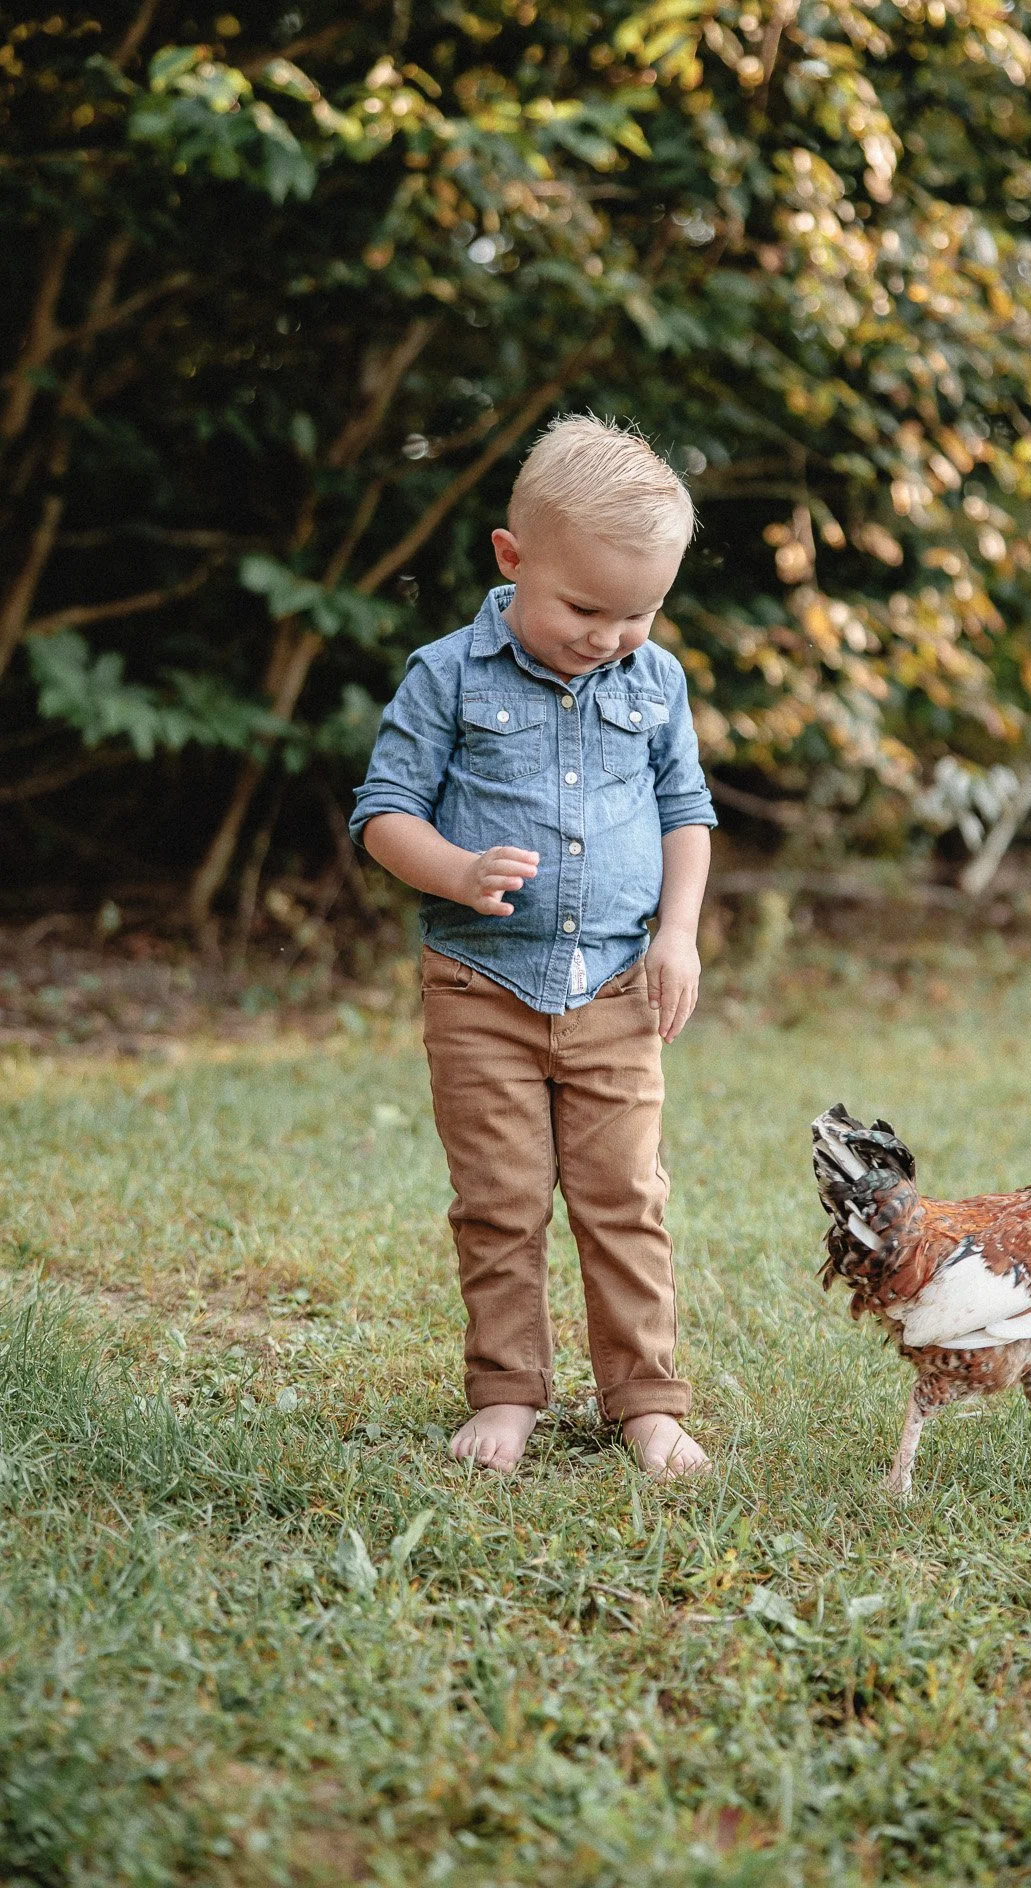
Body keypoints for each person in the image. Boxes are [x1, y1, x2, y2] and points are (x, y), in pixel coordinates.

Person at [350, 414, 716, 1479]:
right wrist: (457, 869)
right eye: (585, 606)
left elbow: (685, 810)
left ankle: (644, 1400)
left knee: (624, 1197)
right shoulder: (447, 676)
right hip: (482, 986)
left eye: (639, 611)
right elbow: (383, 812)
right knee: (501, 1198)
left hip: (613, 985)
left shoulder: (655, 683)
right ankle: (507, 1390)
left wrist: (678, 934)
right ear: (512, 561)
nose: (610, 634)